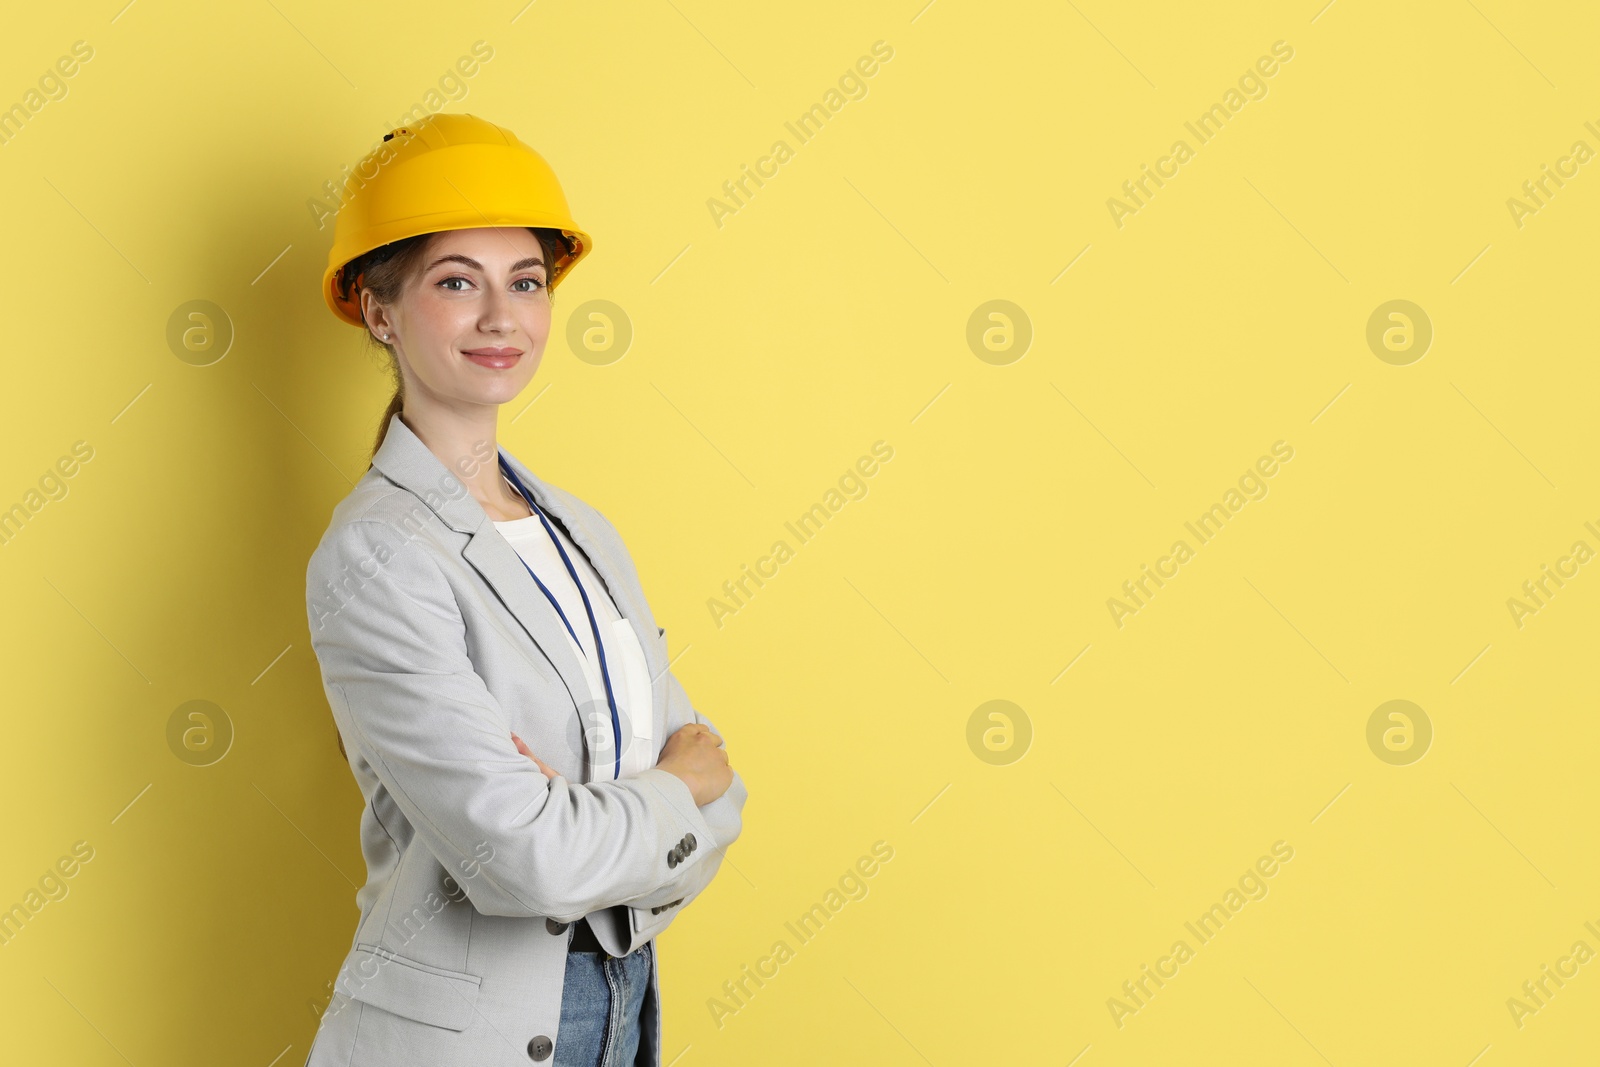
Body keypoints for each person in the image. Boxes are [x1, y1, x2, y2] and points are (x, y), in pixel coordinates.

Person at [303, 112, 746, 1067]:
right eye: (457, 282)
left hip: (621, 1009)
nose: (502, 318)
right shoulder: (377, 556)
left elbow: (728, 798)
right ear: (379, 311)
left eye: (527, 282)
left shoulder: (584, 531)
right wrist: (669, 788)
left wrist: (595, 817)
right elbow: (526, 857)